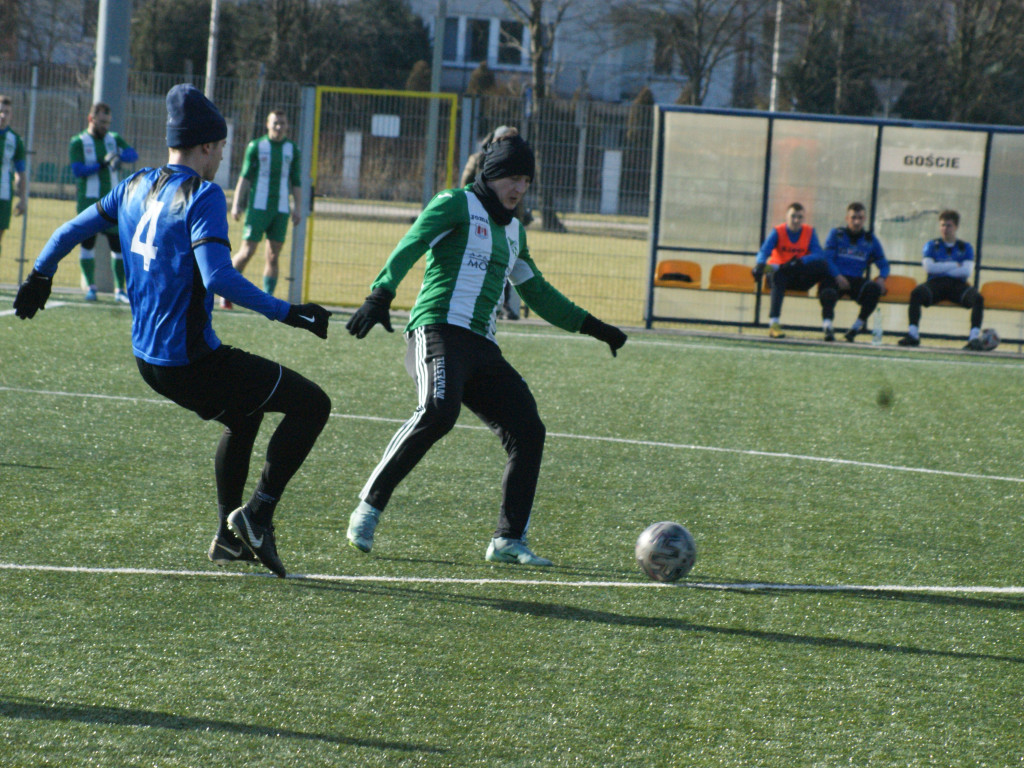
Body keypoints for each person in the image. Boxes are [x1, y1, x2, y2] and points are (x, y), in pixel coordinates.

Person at [13, 84, 333, 579]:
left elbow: (66, 232)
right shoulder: (203, 195)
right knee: (313, 404)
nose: (222, 157)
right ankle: (257, 516)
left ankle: (229, 539)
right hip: (192, 362)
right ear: (206, 146)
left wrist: (39, 274)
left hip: (148, 361)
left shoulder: (134, 184)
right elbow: (220, 277)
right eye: (222, 148)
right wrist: (289, 312)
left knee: (245, 416)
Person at [344, 133, 627, 566]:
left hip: (483, 346)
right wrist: (380, 293)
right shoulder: (455, 203)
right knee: (439, 410)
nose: (519, 189)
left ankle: (508, 540)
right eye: (513, 178)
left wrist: (593, 327)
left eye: (527, 181)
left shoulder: (515, 230)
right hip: (437, 330)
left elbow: (538, 292)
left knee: (529, 430)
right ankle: (368, 508)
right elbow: (411, 244)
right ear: (491, 175)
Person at [224, 109, 301, 307]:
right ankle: (225, 291)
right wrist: (236, 204)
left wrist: (298, 207)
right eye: (275, 123)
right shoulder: (256, 146)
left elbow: (296, 181)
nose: (278, 127)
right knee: (247, 252)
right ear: (267, 124)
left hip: (281, 209)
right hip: (258, 208)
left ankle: (267, 299)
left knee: (273, 256)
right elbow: (245, 177)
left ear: (287, 126)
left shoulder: (292, 150)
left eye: (282, 123)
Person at [460, 124, 532, 320]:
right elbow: (466, 183)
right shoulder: (478, 159)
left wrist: (521, 214)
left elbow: (517, 190)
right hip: (479, 218)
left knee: (506, 262)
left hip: (507, 218)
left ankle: (505, 303)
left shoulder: (516, 160)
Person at [69, 102, 139, 303]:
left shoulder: (113, 139)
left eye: (108, 122)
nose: (105, 126)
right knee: (87, 245)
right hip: (88, 203)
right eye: (101, 122)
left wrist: (118, 156)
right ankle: (91, 287)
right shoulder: (78, 142)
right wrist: (103, 163)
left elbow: (133, 154)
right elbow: (78, 170)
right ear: (91, 119)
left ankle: (120, 290)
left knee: (118, 248)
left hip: (114, 203)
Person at [898, 209, 985, 350]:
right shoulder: (932, 245)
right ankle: (913, 335)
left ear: (956, 227)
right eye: (943, 225)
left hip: (957, 285)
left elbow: (966, 270)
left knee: (978, 298)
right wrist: (953, 265)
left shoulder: (965, 247)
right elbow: (929, 268)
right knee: (916, 293)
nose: (945, 229)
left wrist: (940, 267)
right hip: (935, 284)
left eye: (949, 225)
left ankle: (973, 339)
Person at [752, 202, 836, 339]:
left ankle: (828, 325)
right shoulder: (778, 231)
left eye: (799, 217)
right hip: (779, 276)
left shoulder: (809, 232)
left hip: (798, 275)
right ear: (786, 217)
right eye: (793, 216)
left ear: (803, 219)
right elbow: (763, 252)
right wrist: (760, 264)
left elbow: (818, 254)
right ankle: (774, 324)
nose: (796, 220)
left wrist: (801, 261)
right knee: (777, 274)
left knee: (824, 267)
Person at [821, 202, 890, 342]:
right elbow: (827, 259)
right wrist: (838, 276)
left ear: (864, 219)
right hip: (835, 278)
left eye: (860, 218)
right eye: (853, 218)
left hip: (855, 280)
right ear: (847, 219)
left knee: (873, 290)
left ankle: (854, 329)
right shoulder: (836, 234)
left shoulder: (870, 240)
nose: (857, 221)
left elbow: (883, 264)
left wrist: (882, 278)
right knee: (827, 292)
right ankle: (828, 327)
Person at [0, 94, 27, 263]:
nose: (3, 115)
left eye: (6, 112)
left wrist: (22, 198)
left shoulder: (15, 140)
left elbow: (21, 171)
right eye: (1, 111)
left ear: (11, 115)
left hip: (4, 194)